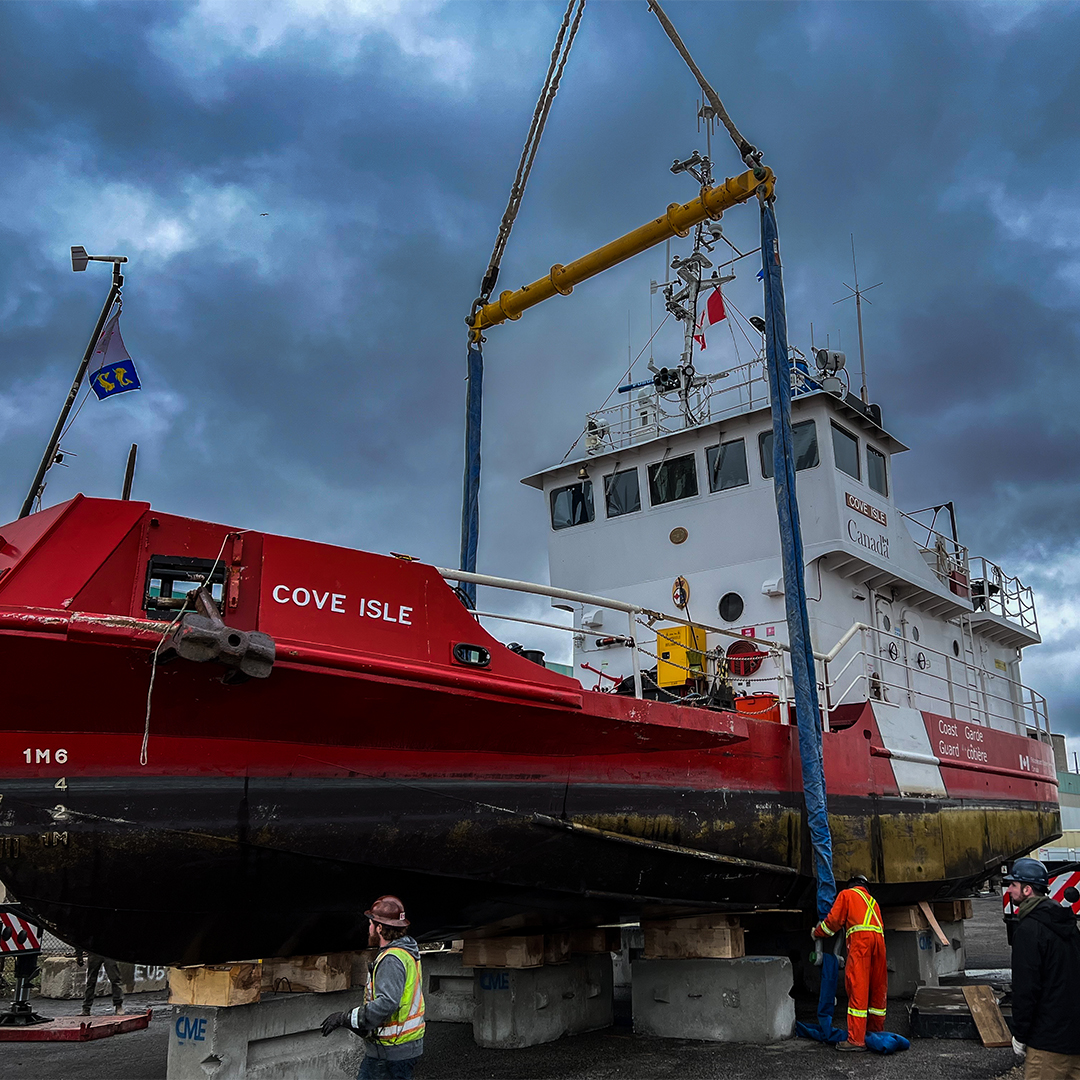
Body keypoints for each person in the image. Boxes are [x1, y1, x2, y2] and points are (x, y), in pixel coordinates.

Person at [322, 895, 424, 1079]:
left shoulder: (391, 959)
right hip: (401, 1046)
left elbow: (387, 1003)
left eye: (371, 924)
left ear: (379, 928)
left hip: (391, 1050)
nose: (368, 929)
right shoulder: (406, 953)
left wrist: (345, 1018)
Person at [1006, 857, 1080, 1078]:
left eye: (1013, 885)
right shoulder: (1067, 925)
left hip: (1047, 1045)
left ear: (1027, 890)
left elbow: (1026, 988)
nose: (1009, 889)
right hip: (1075, 1037)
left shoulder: (1029, 930)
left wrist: (1020, 1034)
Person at [812, 873, 887, 1051]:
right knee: (878, 987)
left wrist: (817, 932)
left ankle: (856, 1040)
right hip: (879, 943)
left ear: (851, 885)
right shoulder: (873, 902)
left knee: (858, 987)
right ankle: (875, 1033)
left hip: (861, 943)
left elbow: (833, 923)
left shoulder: (846, 895)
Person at [78, 951, 124, 1016]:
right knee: (91, 981)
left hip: (108, 951)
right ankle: (86, 1008)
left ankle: (118, 1005)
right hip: (95, 952)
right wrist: (79, 954)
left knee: (115, 979)